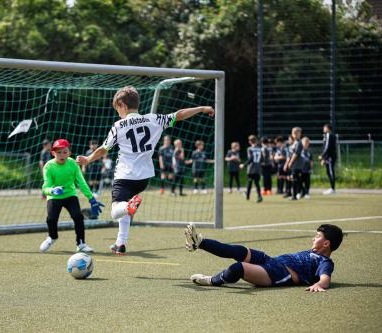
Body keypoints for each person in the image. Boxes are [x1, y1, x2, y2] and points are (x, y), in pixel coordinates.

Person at [76, 86, 215, 255]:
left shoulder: (119, 125)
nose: (117, 112)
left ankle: (128, 207)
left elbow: (104, 149)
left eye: (117, 108)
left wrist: (88, 159)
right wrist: (201, 108)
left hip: (125, 175)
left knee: (116, 210)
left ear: (122, 104)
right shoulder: (153, 119)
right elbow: (179, 114)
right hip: (144, 178)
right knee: (126, 209)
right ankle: (121, 243)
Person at [185, 223, 343, 292]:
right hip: (271, 261)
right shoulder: (314, 252)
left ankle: (212, 280)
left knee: (238, 268)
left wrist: (320, 285)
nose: (313, 239)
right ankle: (199, 242)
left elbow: (325, 278)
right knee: (238, 251)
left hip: (280, 274)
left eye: (317, 237)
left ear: (326, 244)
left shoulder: (325, 262)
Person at [39, 139, 104, 253]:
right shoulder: (48, 166)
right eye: (58, 152)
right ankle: (52, 237)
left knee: (78, 217)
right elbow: (45, 187)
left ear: (69, 152)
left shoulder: (73, 164)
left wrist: (92, 199)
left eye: (65, 152)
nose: (62, 155)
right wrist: (52, 191)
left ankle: (81, 244)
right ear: (53, 153)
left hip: (70, 195)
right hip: (54, 197)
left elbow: (81, 183)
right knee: (51, 219)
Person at [239, 135, 263, 203]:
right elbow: (262, 159)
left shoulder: (249, 149)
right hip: (258, 168)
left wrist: (243, 165)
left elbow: (251, 159)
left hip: (251, 168)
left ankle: (247, 195)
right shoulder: (260, 148)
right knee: (257, 183)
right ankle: (259, 196)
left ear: (250, 141)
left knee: (249, 182)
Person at [284, 127, 305, 201]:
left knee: (295, 179)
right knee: (296, 179)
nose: (295, 134)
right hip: (294, 164)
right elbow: (291, 153)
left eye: (297, 133)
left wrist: (290, 162)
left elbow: (296, 154)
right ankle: (302, 192)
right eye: (294, 133)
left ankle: (294, 195)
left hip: (297, 164)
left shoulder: (299, 143)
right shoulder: (294, 142)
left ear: (300, 134)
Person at [319, 124, 337, 195]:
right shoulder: (327, 136)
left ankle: (333, 189)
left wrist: (322, 156)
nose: (323, 129)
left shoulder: (329, 135)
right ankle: (332, 188)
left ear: (328, 129)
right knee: (328, 172)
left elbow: (327, 147)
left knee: (331, 171)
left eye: (324, 128)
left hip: (331, 157)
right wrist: (324, 158)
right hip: (328, 157)